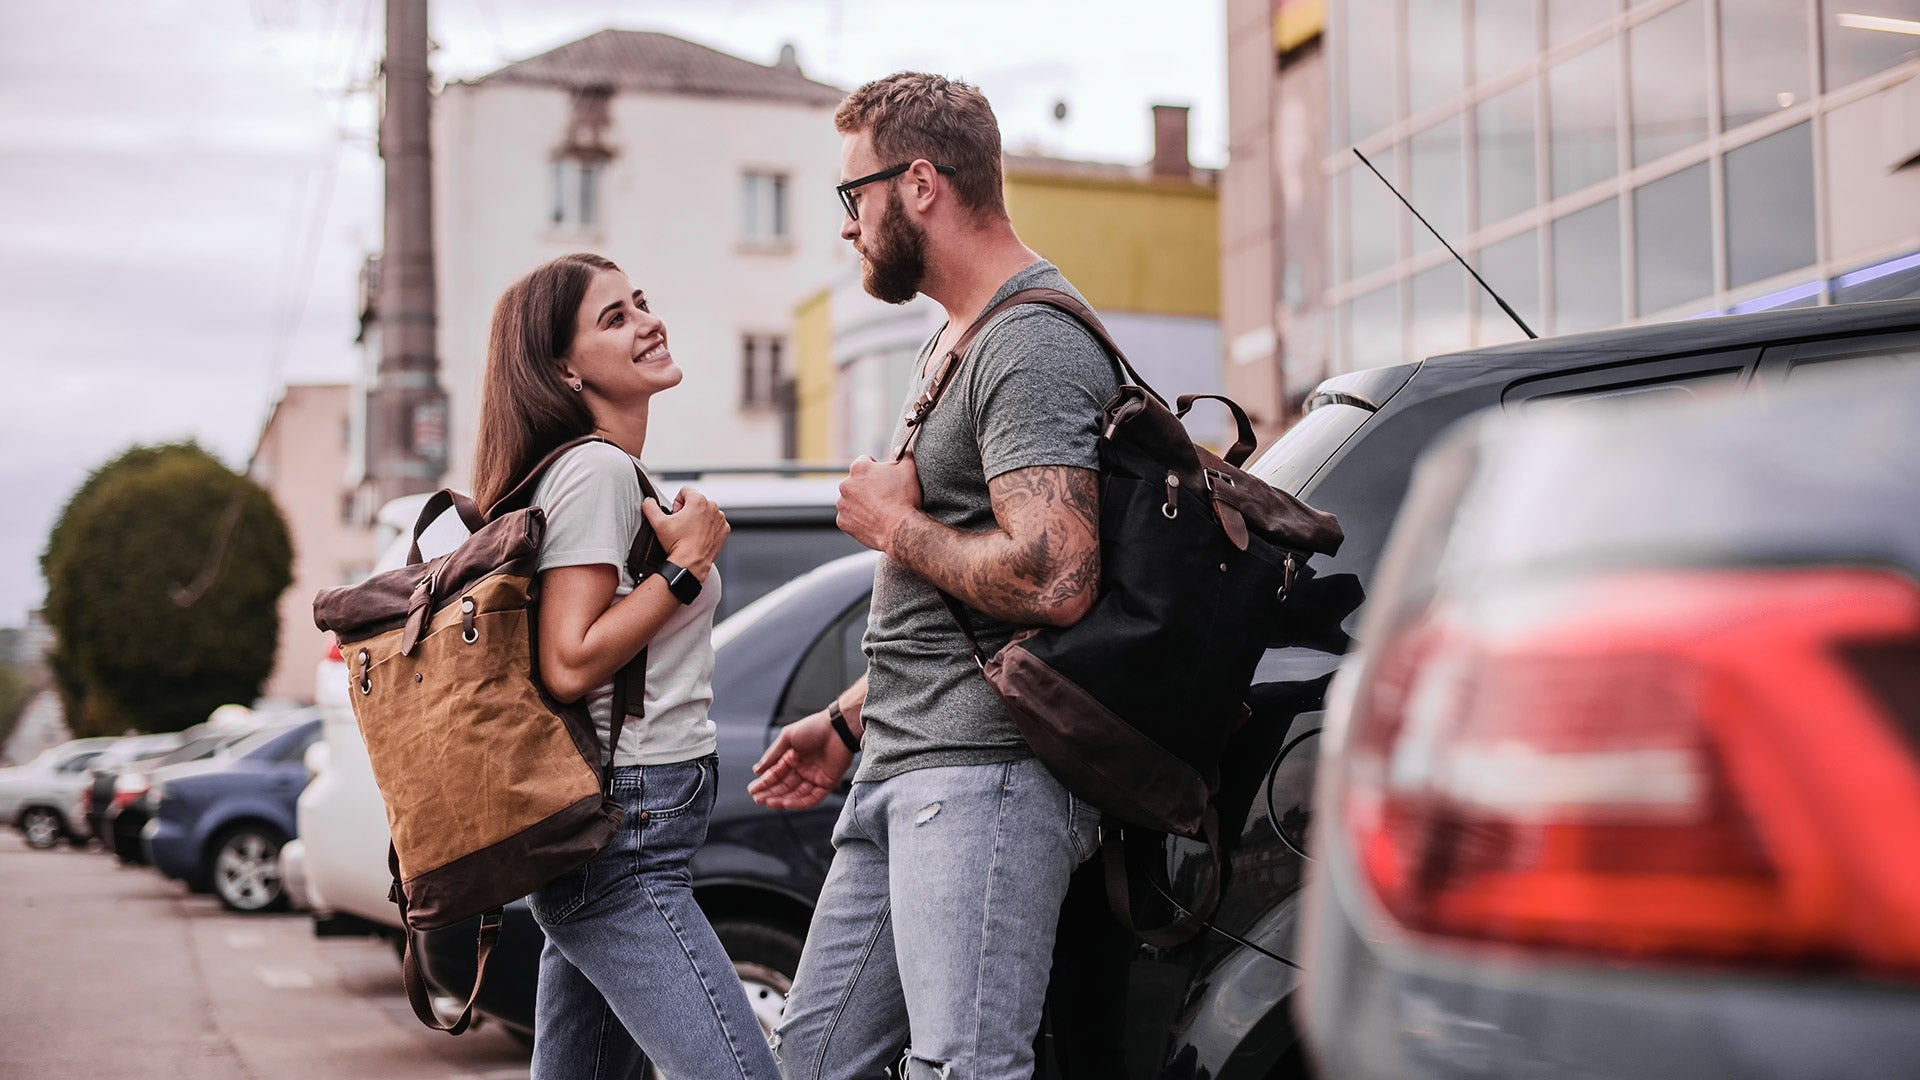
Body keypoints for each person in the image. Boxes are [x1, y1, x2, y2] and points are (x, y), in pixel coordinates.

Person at [749, 73, 1116, 1080]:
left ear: (918, 183)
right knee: (817, 1062)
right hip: (902, 763)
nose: (846, 226)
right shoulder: (953, 339)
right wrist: (847, 720)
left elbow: (1056, 580)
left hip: (984, 774)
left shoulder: (1031, 342)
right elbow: (965, 601)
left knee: (964, 1067)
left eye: (850, 197)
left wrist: (891, 526)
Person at [470, 252, 781, 1080]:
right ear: (563, 368)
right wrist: (686, 570)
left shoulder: (612, 471)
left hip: (625, 828)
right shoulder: (597, 470)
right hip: (624, 836)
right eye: (615, 317)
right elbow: (570, 662)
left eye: (641, 301)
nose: (649, 321)